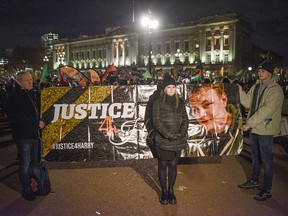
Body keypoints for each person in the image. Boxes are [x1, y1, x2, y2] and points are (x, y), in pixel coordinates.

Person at [237, 61, 284, 201]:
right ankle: (254, 180)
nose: (259, 73)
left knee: (267, 160)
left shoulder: (275, 89)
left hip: (265, 129)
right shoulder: (256, 86)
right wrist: (240, 92)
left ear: (269, 73)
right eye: (259, 71)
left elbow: (266, 110)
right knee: (255, 157)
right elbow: (247, 103)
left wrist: (248, 123)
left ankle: (267, 189)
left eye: (262, 71)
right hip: (255, 128)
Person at [6, 71, 45, 201]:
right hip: (24, 136)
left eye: (31, 80)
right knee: (25, 164)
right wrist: (36, 122)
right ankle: (26, 189)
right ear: (20, 82)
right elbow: (17, 118)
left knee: (34, 163)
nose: (31, 82)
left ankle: (35, 186)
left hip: (33, 134)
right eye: (28, 80)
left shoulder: (29, 94)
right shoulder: (15, 96)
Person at [152, 76, 189, 205]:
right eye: (169, 87)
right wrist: (168, 135)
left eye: (173, 87)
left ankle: (171, 191)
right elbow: (157, 122)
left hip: (177, 140)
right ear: (164, 89)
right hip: (163, 140)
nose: (171, 89)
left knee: (173, 165)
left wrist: (182, 133)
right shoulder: (158, 103)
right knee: (163, 166)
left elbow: (185, 119)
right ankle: (163, 191)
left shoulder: (181, 102)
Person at [188, 83, 242, 156]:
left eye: (206, 105)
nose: (201, 114)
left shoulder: (237, 130)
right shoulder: (195, 137)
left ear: (223, 100)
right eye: (195, 109)